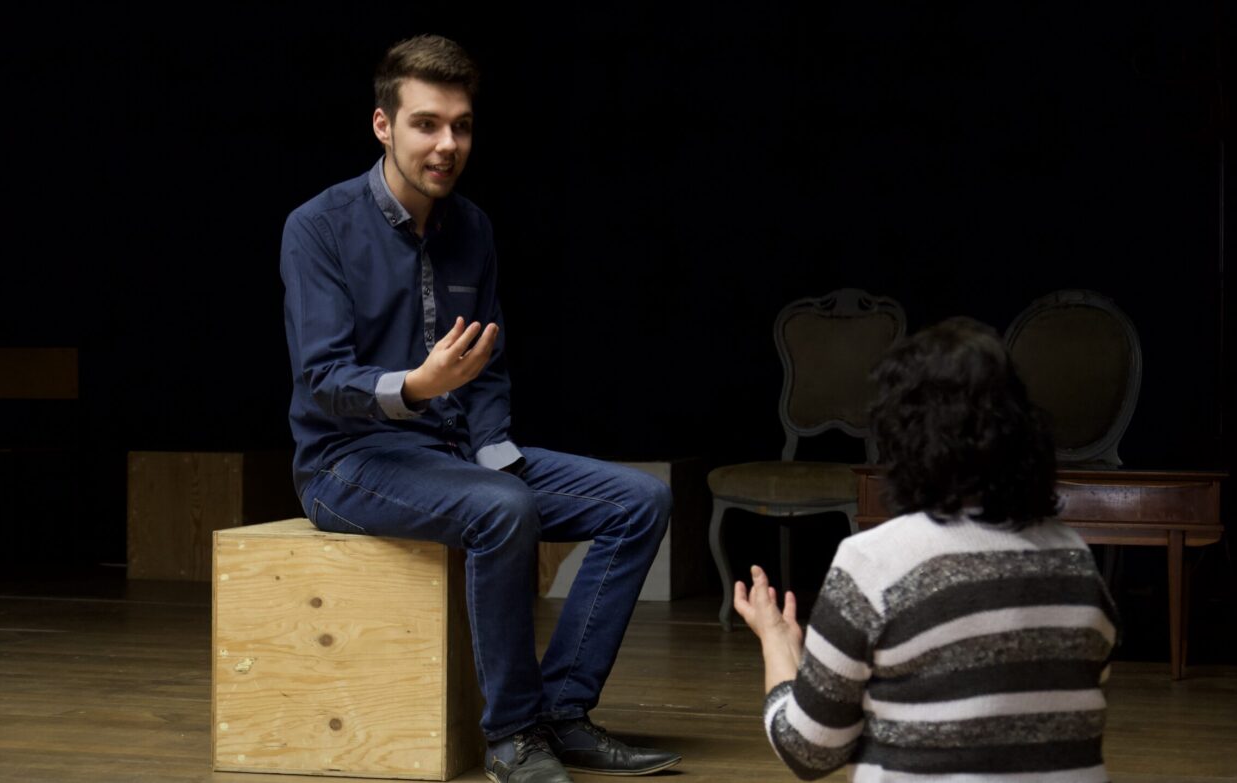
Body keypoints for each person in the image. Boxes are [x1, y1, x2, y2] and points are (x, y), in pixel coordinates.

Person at [279, 34, 680, 783]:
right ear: (383, 125)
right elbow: (322, 379)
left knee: (640, 500)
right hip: (347, 462)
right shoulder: (318, 227)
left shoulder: (473, 227)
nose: (447, 144)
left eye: (461, 126)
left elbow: (487, 367)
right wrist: (417, 387)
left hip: (456, 454)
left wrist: (496, 455)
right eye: (426, 124)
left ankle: (563, 714)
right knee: (502, 509)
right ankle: (512, 737)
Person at [734, 317, 1120, 782]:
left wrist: (777, 642)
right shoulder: (1075, 559)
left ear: (902, 436)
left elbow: (808, 752)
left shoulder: (874, 561)